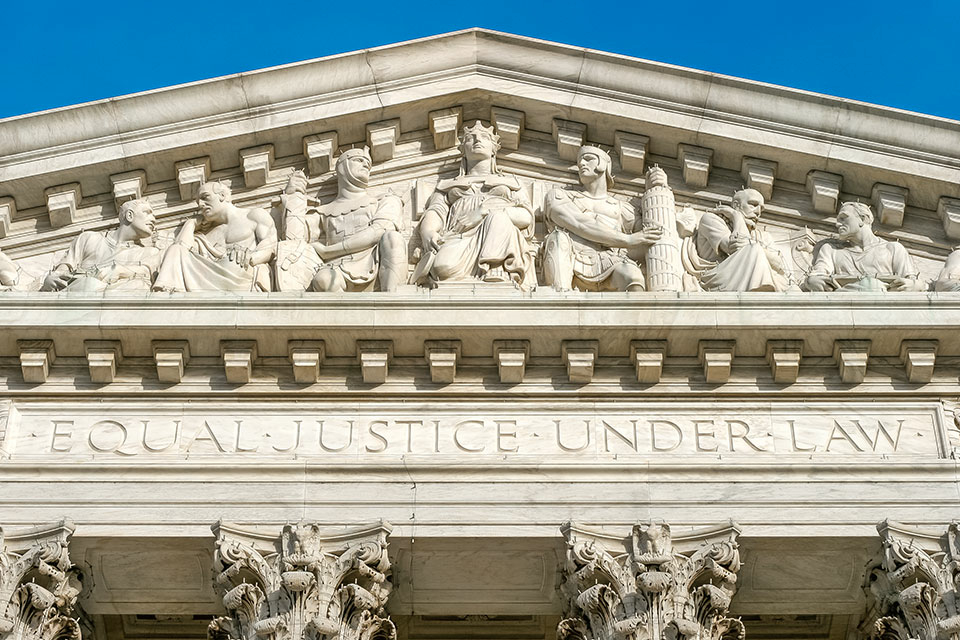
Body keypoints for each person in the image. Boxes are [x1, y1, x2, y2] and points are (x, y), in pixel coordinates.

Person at [412, 121, 535, 288]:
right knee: (442, 267)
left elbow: (526, 216)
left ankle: (495, 266)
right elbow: (436, 210)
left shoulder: (512, 182)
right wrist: (428, 231)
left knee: (498, 217)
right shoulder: (447, 184)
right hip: (459, 234)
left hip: (500, 233)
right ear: (463, 150)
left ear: (494, 148)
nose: (477, 140)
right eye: (471, 138)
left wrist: (483, 212)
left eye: (484, 137)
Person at [541, 145, 662, 291]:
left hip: (612, 261)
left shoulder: (621, 208)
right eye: (580, 161)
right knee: (558, 237)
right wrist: (628, 240)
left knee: (633, 277)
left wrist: (658, 188)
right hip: (573, 258)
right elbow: (579, 223)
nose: (581, 164)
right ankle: (559, 300)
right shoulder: (560, 196)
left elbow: (650, 237)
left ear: (603, 164)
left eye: (588, 159)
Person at [309, 148, 406, 292]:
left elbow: (379, 231)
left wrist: (327, 251)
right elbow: (297, 240)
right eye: (359, 160)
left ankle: (391, 303)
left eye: (368, 163)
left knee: (393, 238)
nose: (365, 165)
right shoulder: (322, 212)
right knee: (323, 280)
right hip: (336, 267)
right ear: (342, 167)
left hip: (375, 261)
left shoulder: (385, 200)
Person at [153, 182, 277, 292]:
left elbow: (270, 247)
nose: (200, 205)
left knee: (232, 263)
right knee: (175, 249)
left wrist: (250, 256)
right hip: (206, 277)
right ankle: (165, 295)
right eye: (198, 202)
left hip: (238, 274)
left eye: (205, 197)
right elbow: (180, 250)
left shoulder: (253, 215)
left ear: (222, 196)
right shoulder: (206, 233)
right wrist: (190, 224)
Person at [42, 198, 160, 292]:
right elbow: (63, 270)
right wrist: (51, 279)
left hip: (120, 304)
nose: (154, 219)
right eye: (147, 213)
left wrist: (120, 270)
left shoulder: (149, 253)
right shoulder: (89, 239)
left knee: (138, 285)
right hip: (79, 296)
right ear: (129, 215)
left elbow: (148, 272)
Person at [683, 188, 788, 292]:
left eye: (761, 208)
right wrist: (736, 216)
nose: (758, 212)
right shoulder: (711, 219)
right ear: (736, 205)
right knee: (754, 250)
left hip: (744, 276)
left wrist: (760, 251)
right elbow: (735, 247)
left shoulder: (762, 235)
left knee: (791, 287)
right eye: (753, 204)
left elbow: (779, 265)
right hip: (719, 278)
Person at [804, 201, 920, 292]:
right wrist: (813, 281)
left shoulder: (892, 249)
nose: (837, 224)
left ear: (862, 219)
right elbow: (816, 276)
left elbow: (911, 282)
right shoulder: (831, 250)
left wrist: (913, 285)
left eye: (843, 218)